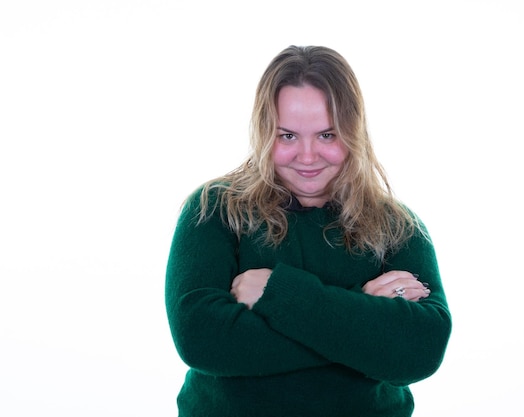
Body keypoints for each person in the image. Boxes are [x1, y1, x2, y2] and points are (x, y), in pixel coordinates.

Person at [165, 45, 451, 417]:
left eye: (327, 135)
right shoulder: (214, 211)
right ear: (265, 132)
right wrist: (365, 316)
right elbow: (201, 340)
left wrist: (278, 294)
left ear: (353, 132)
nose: (307, 155)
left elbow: (421, 351)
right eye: (287, 136)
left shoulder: (398, 228)